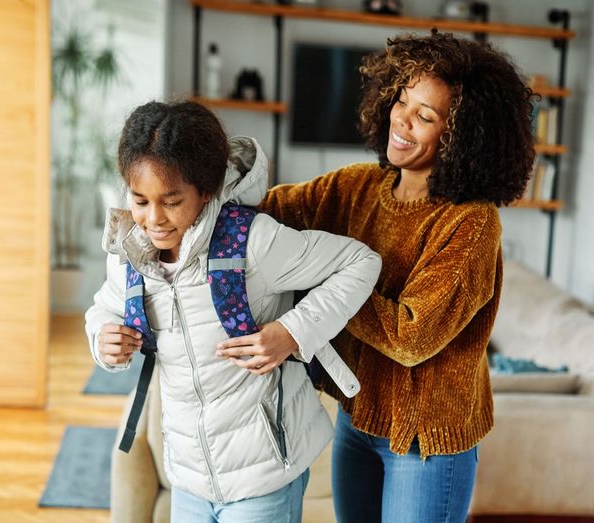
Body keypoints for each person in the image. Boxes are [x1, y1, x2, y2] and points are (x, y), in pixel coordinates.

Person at [215, 31, 535, 522]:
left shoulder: (470, 223)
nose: (401, 121)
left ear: (463, 137)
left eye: (425, 116)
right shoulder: (360, 186)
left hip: (425, 444)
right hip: (357, 419)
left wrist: (331, 285)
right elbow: (272, 211)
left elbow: (412, 334)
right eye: (402, 101)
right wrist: (191, 201)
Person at [84, 100, 382, 523]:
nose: (154, 219)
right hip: (188, 479)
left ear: (206, 190)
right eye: (139, 200)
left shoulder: (253, 244)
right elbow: (101, 309)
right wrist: (102, 340)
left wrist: (292, 332)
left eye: (171, 201)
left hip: (264, 475)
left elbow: (360, 262)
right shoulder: (129, 254)